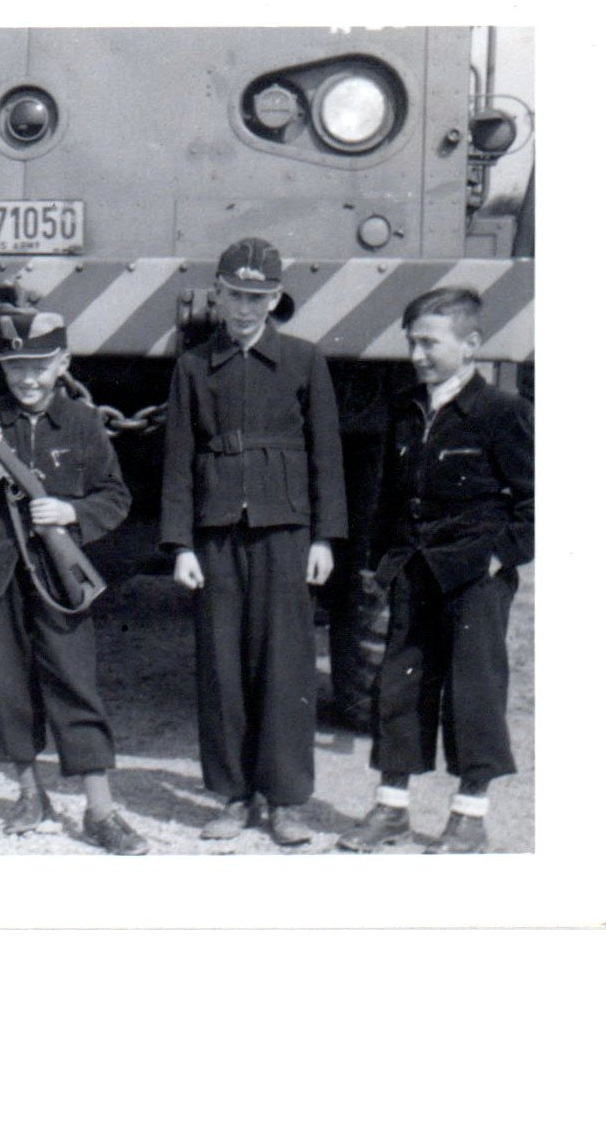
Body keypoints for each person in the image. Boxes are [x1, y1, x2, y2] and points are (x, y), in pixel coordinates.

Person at [160, 237, 347, 847]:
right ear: (218, 295)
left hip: (286, 532)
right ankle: (233, 796)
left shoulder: (302, 360)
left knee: (286, 665)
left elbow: (327, 457)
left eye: (257, 297)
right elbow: (179, 459)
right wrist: (181, 545)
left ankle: (286, 801)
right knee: (221, 667)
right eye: (235, 296)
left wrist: (325, 537)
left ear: (275, 300)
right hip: (217, 536)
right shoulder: (193, 367)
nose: (244, 309)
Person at [338, 286, 533, 854]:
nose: (418, 355)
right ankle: (391, 808)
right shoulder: (404, 409)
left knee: (473, 691)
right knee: (398, 688)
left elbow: (536, 502)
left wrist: (499, 557)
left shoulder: (504, 413)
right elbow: (389, 498)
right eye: (412, 343)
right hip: (413, 571)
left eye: (430, 343)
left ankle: (469, 817)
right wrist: (380, 564)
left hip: (475, 577)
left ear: (471, 345)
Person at [0, 312, 147, 855]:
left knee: (75, 682)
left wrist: (70, 513)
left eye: (38, 367)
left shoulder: (81, 422)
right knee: (7, 685)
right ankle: (29, 793)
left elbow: (115, 497)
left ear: (62, 365)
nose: (27, 380)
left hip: (58, 573)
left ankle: (101, 810)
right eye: (15, 368)